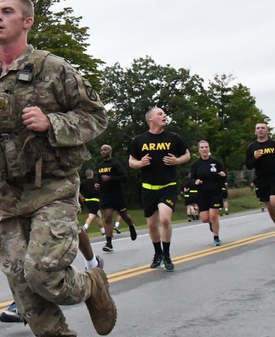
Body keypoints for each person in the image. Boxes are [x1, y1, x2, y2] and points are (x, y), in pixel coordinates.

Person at [0, 0, 115, 337]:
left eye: (6, 12)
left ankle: (93, 284)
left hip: (54, 187)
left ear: (26, 21)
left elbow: (96, 116)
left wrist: (52, 122)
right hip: (7, 196)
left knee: (43, 273)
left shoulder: (53, 68)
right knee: (21, 285)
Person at [128, 107, 190, 271]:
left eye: (164, 114)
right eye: (160, 114)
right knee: (151, 224)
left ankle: (167, 255)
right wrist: (140, 163)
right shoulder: (139, 140)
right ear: (150, 119)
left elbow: (187, 155)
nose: (164, 116)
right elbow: (131, 161)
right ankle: (158, 254)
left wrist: (176, 161)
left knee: (165, 219)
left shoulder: (173, 138)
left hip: (168, 185)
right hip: (148, 187)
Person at [245, 122, 275, 242]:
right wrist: (254, 158)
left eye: (263, 128)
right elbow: (248, 165)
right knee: (270, 207)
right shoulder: (252, 147)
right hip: (261, 179)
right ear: (255, 131)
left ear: (267, 130)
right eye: (258, 128)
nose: (260, 130)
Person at [96, 144, 137, 252]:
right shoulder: (99, 166)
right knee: (108, 217)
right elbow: (98, 180)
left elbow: (124, 177)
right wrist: (97, 185)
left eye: (105, 150)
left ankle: (131, 226)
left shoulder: (116, 163)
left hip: (117, 195)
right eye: (101, 150)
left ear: (110, 151)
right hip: (106, 195)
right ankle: (109, 243)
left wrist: (110, 178)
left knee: (124, 215)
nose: (103, 151)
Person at [188, 141, 226, 245]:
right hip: (202, 194)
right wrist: (195, 181)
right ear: (199, 150)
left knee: (213, 215)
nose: (204, 149)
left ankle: (216, 237)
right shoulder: (196, 165)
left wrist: (223, 175)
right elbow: (191, 179)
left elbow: (224, 175)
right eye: (202, 147)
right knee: (205, 218)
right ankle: (211, 223)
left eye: (206, 147)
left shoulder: (215, 162)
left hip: (215, 192)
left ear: (209, 149)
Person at [79, 169, 104, 235]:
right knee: (92, 215)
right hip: (95, 201)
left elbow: (78, 190)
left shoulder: (83, 182)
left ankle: (103, 231)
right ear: (92, 174)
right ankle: (84, 227)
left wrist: (81, 196)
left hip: (87, 201)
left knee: (99, 216)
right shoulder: (96, 181)